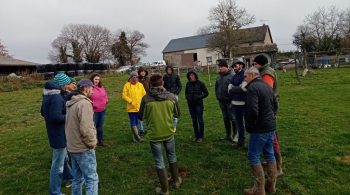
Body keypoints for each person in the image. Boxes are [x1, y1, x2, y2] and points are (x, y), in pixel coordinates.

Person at [139, 74, 182, 195]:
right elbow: (178, 114)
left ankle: (165, 190)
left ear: (150, 84)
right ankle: (177, 181)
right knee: (172, 156)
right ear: (162, 83)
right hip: (168, 132)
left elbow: (140, 117)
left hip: (154, 134)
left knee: (159, 161)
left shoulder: (146, 99)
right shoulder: (172, 97)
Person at [243, 67, 278, 194]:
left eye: (245, 77)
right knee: (270, 154)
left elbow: (252, 110)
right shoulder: (266, 85)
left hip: (260, 128)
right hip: (270, 126)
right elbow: (275, 104)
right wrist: (271, 117)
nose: (244, 79)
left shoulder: (252, 88)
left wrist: (251, 126)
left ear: (252, 75)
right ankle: (271, 185)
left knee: (253, 155)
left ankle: (259, 189)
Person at [65, 79, 99, 195]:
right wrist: (92, 144)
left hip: (72, 147)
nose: (93, 91)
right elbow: (86, 129)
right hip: (83, 148)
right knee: (92, 179)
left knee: (77, 178)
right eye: (92, 88)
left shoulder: (71, 102)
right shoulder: (84, 104)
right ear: (86, 88)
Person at [253, 54, 283, 176]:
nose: (254, 65)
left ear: (260, 63)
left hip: (268, 109)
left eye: (255, 63)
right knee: (269, 136)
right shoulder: (264, 71)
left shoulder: (266, 73)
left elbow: (265, 92)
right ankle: (271, 160)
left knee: (272, 136)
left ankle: (278, 166)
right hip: (267, 108)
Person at [41, 78, 71, 195]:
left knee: (64, 158)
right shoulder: (57, 98)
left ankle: (69, 178)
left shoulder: (46, 97)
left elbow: (43, 112)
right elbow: (55, 117)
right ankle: (55, 192)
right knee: (57, 166)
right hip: (59, 135)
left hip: (53, 134)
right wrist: (68, 115)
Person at [215, 59, 236, 142]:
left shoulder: (232, 76)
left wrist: (232, 100)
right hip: (222, 101)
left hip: (230, 102)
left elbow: (235, 89)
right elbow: (216, 88)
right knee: (225, 118)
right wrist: (218, 97)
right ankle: (228, 135)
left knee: (233, 118)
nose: (220, 68)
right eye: (219, 67)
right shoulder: (218, 77)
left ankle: (235, 135)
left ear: (226, 67)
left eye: (221, 67)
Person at [185, 69, 209, 143]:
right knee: (194, 120)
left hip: (198, 104)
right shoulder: (188, 84)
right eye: (190, 75)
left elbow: (206, 93)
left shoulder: (200, 83)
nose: (191, 76)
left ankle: (201, 136)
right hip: (190, 104)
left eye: (192, 75)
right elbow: (186, 93)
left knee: (200, 120)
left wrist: (199, 97)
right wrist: (187, 97)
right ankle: (196, 135)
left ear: (195, 75)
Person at [122, 71, 146, 142]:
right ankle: (137, 137)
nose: (135, 78)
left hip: (139, 107)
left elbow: (144, 94)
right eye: (133, 77)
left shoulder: (140, 85)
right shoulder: (127, 85)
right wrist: (130, 101)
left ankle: (135, 136)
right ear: (131, 78)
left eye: (136, 77)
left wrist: (143, 102)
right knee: (133, 122)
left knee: (137, 122)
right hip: (131, 108)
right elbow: (124, 95)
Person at [228, 61, 247, 148]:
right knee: (239, 123)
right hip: (235, 103)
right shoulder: (234, 76)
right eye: (233, 67)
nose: (234, 68)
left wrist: (233, 89)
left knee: (248, 123)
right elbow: (229, 89)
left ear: (241, 66)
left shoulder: (245, 75)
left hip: (244, 103)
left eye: (236, 66)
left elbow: (243, 88)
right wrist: (237, 88)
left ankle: (252, 143)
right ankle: (241, 142)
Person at [90, 73, 109, 146]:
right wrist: (94, 105)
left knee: (100, 127)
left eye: (98, 79)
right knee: (93, 127)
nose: (97, 81)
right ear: (92, 79)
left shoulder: (101, 87)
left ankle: (100, 141)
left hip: (102, 110)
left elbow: (105, 95)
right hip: (94, 111)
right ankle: (93, 142)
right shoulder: (90, 88)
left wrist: (106, 100)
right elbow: (88, 98)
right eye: (95, 79)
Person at [137, 67, 150, 134]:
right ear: (139, 72)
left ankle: (149, 128)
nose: (143, 73)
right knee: (140, 113)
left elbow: (150, 87)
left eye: (144, 71)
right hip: (139, 99)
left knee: (148, 113)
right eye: (141, 71)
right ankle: (141, 129)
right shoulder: (137, 79)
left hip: (147, 98)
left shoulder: (148, 79)